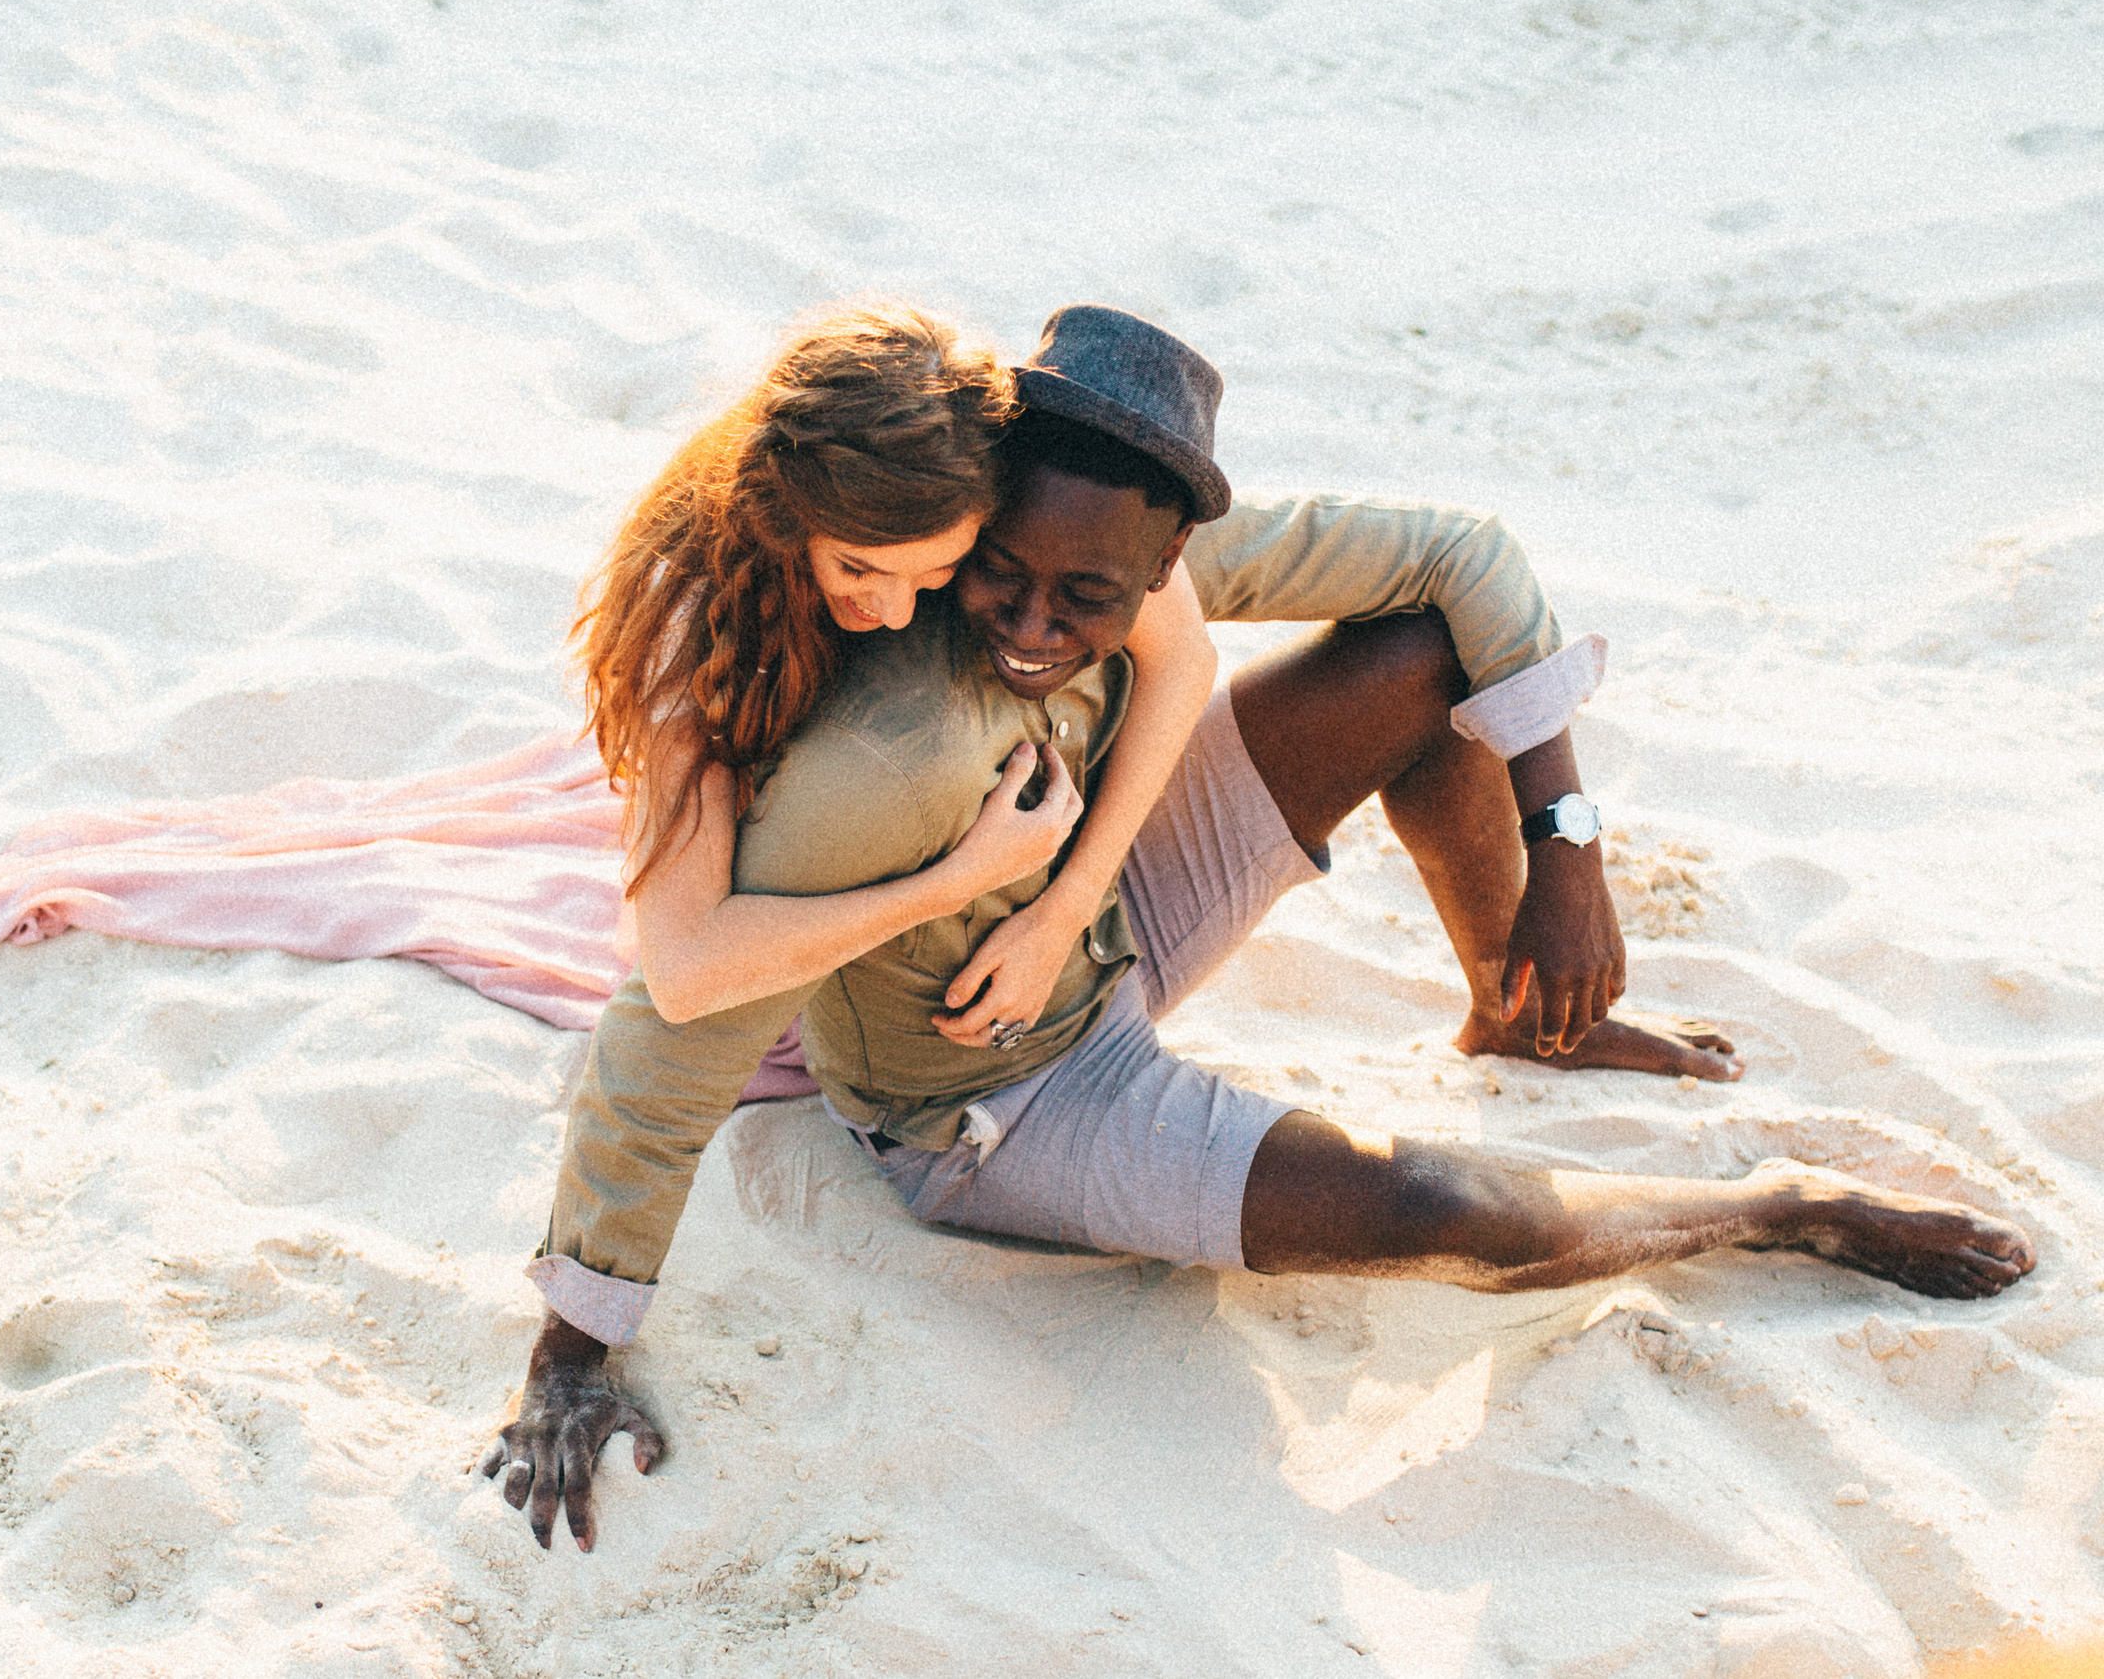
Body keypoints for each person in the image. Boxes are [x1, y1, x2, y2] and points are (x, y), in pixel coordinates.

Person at [482, 306, 2037, 1552]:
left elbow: (1461, 559)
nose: (1014, 618)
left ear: (1151, 555)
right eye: (980, 581)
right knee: (1441, 1206)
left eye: (1072, 589)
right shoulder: (864, 733)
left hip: (1101, 903)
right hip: (991, 1081)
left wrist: (1567, 849)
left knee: (1422, 649)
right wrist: (572, 1346)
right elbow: (673, 1005)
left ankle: (1510, 1005)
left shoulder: (1048, 540)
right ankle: (1778, 1206)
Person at [575, 300, 1219, 1062]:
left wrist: (1066, 907)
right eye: (857, 567)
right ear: (788, 516)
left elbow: (1185, 652)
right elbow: (682, 976)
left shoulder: (970, 487)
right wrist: (955, 882)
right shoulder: (696, 635)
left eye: (940, 570)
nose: (896, 611)